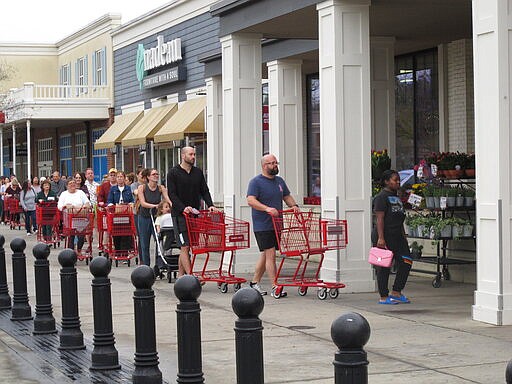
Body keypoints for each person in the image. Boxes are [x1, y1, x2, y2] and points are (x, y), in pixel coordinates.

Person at [246, 153, 300, 297]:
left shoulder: (279, 181)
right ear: (264, 166)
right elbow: (250, 200)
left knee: (266, 254)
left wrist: (293, 205)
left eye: (276, 163)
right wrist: (267, 208)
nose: (275, 165)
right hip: (263, 224)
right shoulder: (256, 182)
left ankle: (254, 283)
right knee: (271, 255)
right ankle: (275, 285)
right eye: (272, 163)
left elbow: (286, 196)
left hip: (277, 224)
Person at [167, 147, 217, 277]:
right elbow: (172, 194)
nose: (193, 156)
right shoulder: (173, 173)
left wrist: (210, 205)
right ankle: (191, 277)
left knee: (188, 247)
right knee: (185, 246)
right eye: (191, 154)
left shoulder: (198, 173)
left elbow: (204, 190)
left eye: (194, 154)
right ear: (183, 156)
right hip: (180, 215)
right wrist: (183, 208)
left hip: (194, 215)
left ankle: (180, 277)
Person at [372, 169, 412, 305]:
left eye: (399, 180)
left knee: (406, 261)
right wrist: (381, 238)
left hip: (398, 236)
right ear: (386, 181)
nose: (398, 182)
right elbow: (380, 219)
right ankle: (383, 296)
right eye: (395, 180)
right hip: (384, 235)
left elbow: (399, 217)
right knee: (384, 265)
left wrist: (403, 234)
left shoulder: (397, 197)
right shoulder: (381, 197)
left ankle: (396, 291)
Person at [138, 168, 172, 269]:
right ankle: (146, 266)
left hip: (157, 218)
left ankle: (159, 264)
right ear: (148, 177)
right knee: (144, 243)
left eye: (157, 174)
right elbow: (143, 203)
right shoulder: (142, 188)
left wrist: (172, 205)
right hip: (144, 217)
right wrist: (154, 206)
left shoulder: (161, 188)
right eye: (153, 174)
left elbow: (168, 199)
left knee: (159, 240)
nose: (156, 176)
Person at [58, 178, 91, 257]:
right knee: (71, 236)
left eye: (73, 183)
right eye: (70, 183)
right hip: (69, 219)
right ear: (67, 186)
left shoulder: (80, 192)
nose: (72, 184)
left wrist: (84, 206)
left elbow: (87, 203)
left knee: (81, 236)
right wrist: (66, 206)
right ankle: (71, 253)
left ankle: (79, 249)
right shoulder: (64, 194)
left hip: (80, 218)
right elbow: (59, 206)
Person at [107, 171, 135, 255]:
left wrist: (130, 204)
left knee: (125, 233)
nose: (119, 178)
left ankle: (124, 252)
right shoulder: (113, 189)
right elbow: (109, 201)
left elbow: (132, 200)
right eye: (118, 177)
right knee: (116, 233)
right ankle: (118, 251)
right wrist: (113, 206)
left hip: (126, 214)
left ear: (124, 178)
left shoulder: (128, 188)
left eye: (121, 177)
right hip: (116, 214)